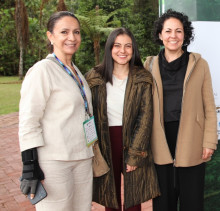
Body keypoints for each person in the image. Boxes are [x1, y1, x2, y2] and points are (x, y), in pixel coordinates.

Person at [18, 11, 94, 211]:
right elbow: (28, 121)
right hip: (55, 162)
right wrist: (29, 166)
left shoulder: (76, 72)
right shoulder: (42, 70)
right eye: (64, 32)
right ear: (50, 36)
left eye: (76, 32)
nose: (72, 37)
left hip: (83, 158)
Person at [144, 9, 218, 211]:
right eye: (168, 31)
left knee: (192, 202)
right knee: (163, 202)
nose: (173, 36)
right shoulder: (149, 66)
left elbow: (209, 107)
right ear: (160, 34)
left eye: (178, 31)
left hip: (192, 139)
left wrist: (209, 141)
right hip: (159, 140)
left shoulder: (199, 64)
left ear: (185, 35)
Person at [86, 27, 160, 211]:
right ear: (109, 48)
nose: (122, 51)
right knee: (110, 194)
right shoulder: (94, 77)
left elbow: (145, 116)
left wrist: (135, 153)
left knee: (134, 194)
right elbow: (86, 114)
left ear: (133, 49)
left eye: (128, 46)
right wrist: (92, 147)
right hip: (105, 140)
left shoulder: (143, 77)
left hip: (133, 139)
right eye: (117, 45)